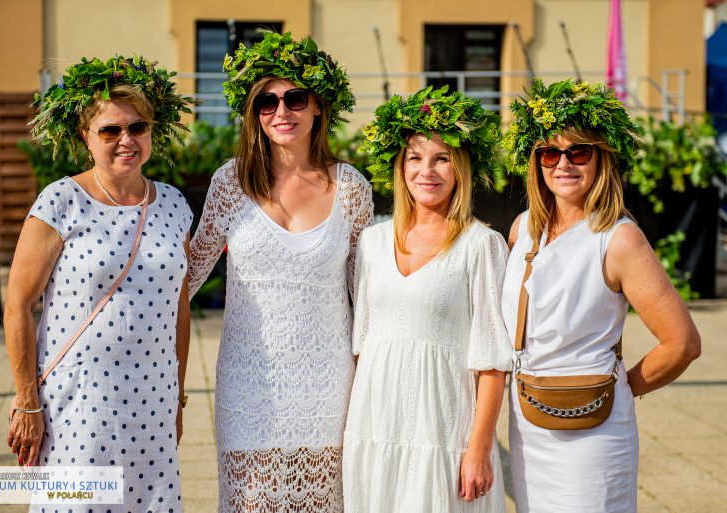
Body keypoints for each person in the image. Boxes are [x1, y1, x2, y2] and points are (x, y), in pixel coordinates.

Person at [187, 31, 373, 512]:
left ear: (318, 107)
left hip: (328, 387)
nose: (281, 111)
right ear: (254, 113)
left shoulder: (351, 187)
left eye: (295, 98)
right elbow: (185, 277)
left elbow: (368, 294)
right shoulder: (231, 181)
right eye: (266, 102)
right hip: (247, 383)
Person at [500, 78, 702, 513]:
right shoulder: (522, 229)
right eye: (550, 153)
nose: (563, 164)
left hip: (594, 433)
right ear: (535, 162)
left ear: (601, 159)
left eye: (579, 151)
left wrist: (620, 391)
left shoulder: (618, 239)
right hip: (528, 424)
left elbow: (682, 344)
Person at [4, 55, 195, 512]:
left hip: (153, 398)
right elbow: (17, 304)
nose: (126, 140)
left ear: (152, 132)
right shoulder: (61, 201)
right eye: (110, 130)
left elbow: (180, 308)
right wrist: (28, 402)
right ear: (85, 138)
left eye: (138, 127)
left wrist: (178, 397)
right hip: (80, 402)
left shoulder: (173, 205)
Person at [343, 86, 511, 513]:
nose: (427, 171)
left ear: (460, 168)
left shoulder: (482, 245)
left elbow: (493, 362)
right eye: (415, 158)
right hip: (375, 423)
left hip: (442, 426)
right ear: (400, 168)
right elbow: (362, 347)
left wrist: (479, 448)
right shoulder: (371, 243)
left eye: (441, 159)